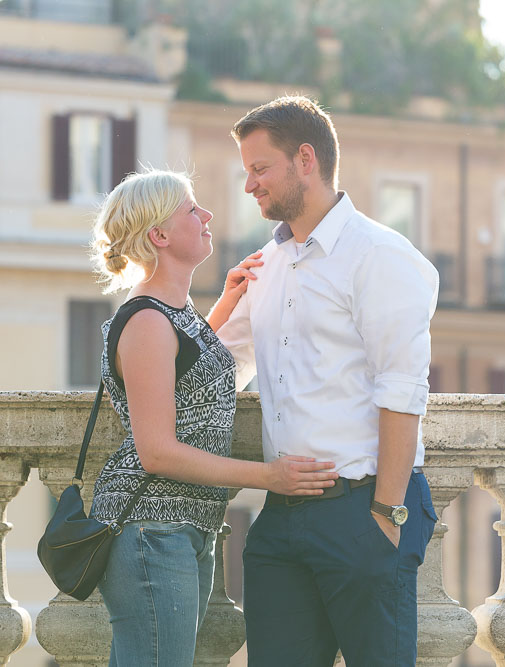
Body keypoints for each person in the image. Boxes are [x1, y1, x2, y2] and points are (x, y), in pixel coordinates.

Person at [214, 96, 440, 666]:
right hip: (281, 519)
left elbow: (402, 389)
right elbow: (217, 370)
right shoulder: (265, 265)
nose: (250, 186)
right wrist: (221, 304)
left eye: (260, 169)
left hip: (363, 508)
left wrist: (385, 518)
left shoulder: (381, 255)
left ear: (306, 160)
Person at [87, 168, 339, 667]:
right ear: (159, 235)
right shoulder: (146, 322)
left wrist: (226, 303)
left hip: (179, 528)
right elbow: (157, 452)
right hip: (152, 530)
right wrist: (269, 477)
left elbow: (189, 367)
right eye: (191, 210)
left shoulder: (170, 315)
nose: (206, 216)